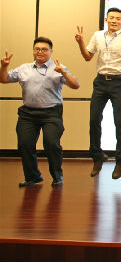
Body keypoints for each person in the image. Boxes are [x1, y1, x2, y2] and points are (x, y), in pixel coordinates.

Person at [1, 37, 79, 187]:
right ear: (33, 51)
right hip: (27, 114)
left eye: (44, 49)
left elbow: (76, 85)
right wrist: (4, 66)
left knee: (51, 144)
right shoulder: (24, 68)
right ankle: (33, 177)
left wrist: (64, 73)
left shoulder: (58, 67)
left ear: (51, 51)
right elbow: (4, 79)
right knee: (24, 144)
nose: (40, 52)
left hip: (51, 113)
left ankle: (57, 176)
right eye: (37, 49)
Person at [75, 7, 121, 179]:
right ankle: (97, 157)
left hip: (118, 82)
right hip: (100, 81)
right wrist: (80, 42)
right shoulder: (97, 35)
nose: (114, 21)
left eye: (118, 18)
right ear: (106, 19)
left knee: (119, 121)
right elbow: (87, 56)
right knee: (94, 119)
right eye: (111, 18)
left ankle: (120, 161)